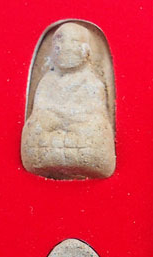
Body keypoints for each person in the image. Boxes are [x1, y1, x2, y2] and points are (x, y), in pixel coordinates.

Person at [21, 22, 115, 178]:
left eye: (73, 41)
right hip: (54, 126)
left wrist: (70, 119)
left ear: (86, 50)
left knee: (97, 127)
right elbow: (40, 109)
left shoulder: (91, 82)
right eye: (59, 42)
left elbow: (95, 113)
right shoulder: (47, 81)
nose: (65, 47)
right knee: (34, 126)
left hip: (81, 127)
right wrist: (51, 118)